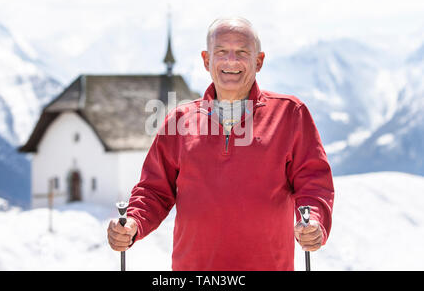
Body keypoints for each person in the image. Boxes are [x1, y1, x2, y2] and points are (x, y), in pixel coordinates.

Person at [107, 17, 334, 271]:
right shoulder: (180, 120)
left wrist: (313, 220)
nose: (231, 61)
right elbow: (154, 190)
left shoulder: (290, 114)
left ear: (258, 61)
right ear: (207, 60)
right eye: (222, 52)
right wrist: (134, 222)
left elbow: (314, 183)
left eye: (242, 52)